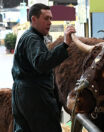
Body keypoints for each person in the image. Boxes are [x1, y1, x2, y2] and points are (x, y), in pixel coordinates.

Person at [11, 3, 76, 132]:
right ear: (34, 19)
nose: (50, 22)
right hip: (35, 97)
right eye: (46, 18)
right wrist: (65, 45)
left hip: (22, 94)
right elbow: (41, 63)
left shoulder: (28, 37)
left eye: (51, 18)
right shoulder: (33, 39)